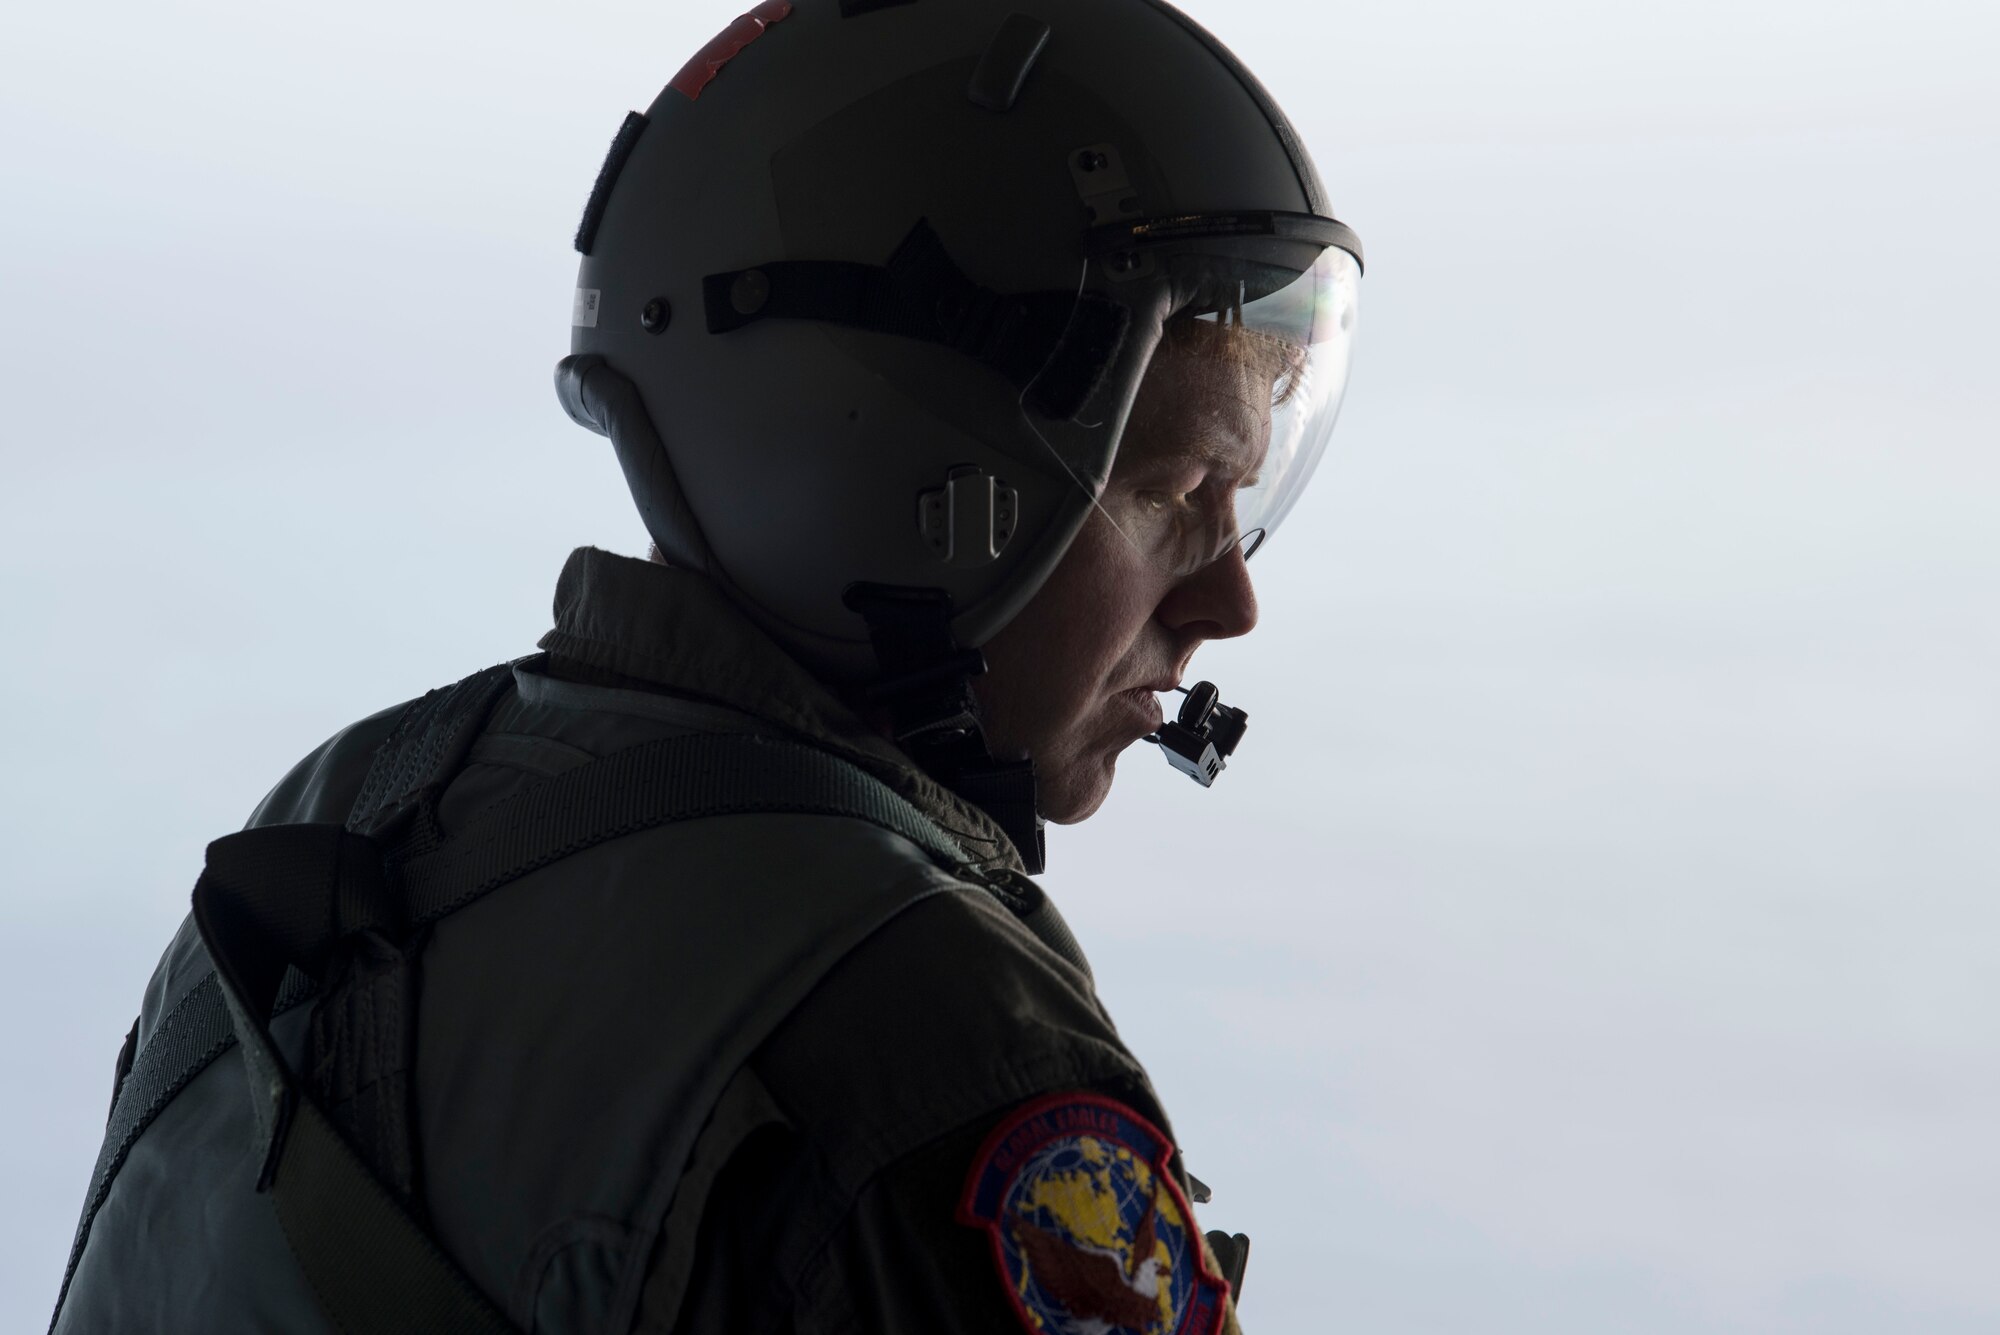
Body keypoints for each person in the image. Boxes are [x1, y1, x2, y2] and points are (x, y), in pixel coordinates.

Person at [48, 0, 1362, 1331]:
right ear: (917, 482)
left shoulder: (351, 812)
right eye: (1176, 488)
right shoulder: (934, 1029)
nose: (1228, 597)